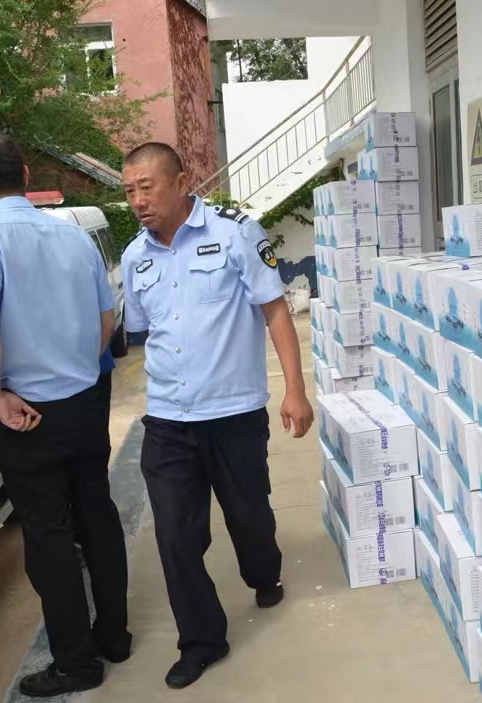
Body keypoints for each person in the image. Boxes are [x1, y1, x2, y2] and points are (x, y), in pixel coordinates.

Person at [119, 142, 314, 689]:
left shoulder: (235, 233)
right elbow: (145, 333)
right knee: (175, 535)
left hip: (233, 414)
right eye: (129, 191)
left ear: (181, 183)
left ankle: (264, 573)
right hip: (168, 419)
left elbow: (275, 310)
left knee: (249, 518)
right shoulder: (135, 257)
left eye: (146, 187)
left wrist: (295, 390)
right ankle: (202, 640)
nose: (137, 201)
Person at [0, 133, 131, 697]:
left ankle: (76, 664)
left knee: (49, 534)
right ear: (26, 176)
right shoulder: (72, 235)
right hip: (85, 399)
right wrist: (77, 367)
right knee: (97, 514)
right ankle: (114, 637)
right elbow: (107, 317)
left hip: (28, 413)